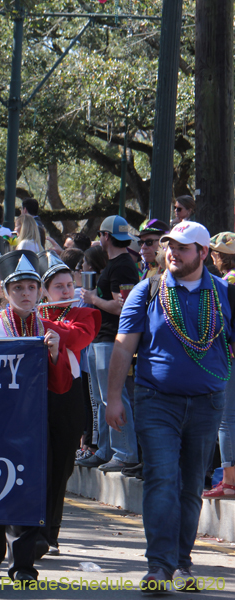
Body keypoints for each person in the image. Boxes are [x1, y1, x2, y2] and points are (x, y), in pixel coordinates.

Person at [106, 221, 232, 592]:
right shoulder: (147, 290)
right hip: (156, 400)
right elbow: (123, 346)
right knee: (162, 478)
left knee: (191, 485)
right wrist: (113, 397)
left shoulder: (226, 293)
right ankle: (159, 565)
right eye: (170, 247)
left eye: (183, 247)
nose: (173, 253)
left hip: (208, 403)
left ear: (203, 253)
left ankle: (181, 559)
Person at [0, 250, 70, 581]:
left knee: (29, 490)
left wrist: (54, 353)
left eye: (31, 287)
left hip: (33, 425)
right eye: (18, 287)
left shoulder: (49, 329)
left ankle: (23, 564)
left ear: (40, 291)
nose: (25, 294)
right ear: (6, 291)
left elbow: (62, 386)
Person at [35, 251, 100, 556]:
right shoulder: (29, 314)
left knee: (61, 466)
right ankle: (27, 529)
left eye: (69, 285)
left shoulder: (83, 314)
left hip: (67, 396)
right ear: (44, 291)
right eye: (58, 286)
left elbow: (76, 340)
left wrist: (36, 319)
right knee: (35, 462)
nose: (65, 291)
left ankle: (50, 532)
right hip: (32, 397)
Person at [76, 216, 139, 472]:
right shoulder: (118, 263)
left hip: (112, 340)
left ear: (105, 236)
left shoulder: (122, 265)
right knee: (102, 398)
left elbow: (122, 306)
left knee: (113, 397)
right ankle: (105, 450)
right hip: (102, 339)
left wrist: (92, 298)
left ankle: (124, 453)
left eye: (100, 234)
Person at [204, 232, 235, 499]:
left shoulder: (226, 284)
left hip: (230, 356)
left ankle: (229, 481)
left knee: (227, 420)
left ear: (218, 256)